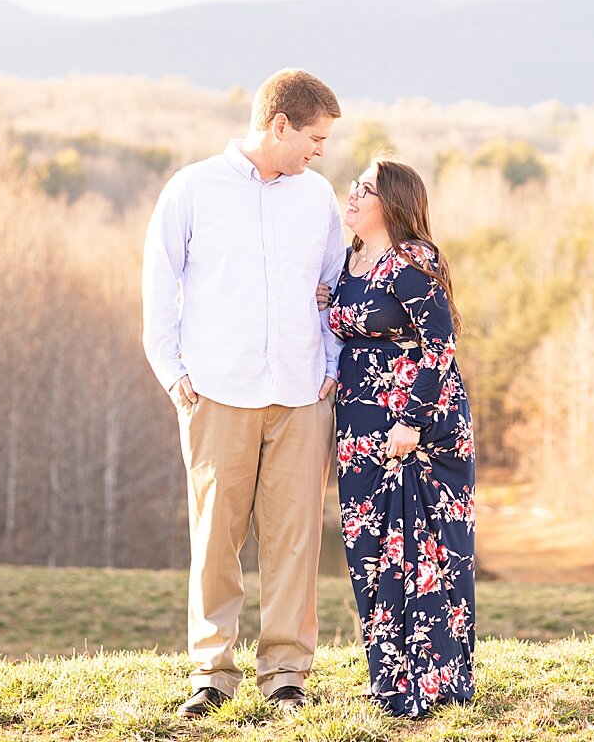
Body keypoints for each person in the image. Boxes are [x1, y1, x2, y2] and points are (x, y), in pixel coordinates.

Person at [141, 68, 345, 718]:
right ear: (278, 124)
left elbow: (334, 289)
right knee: (216, 538)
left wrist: (332, 362)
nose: (321, 150)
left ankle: (286, 674)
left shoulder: (317, 198)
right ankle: (212, 673)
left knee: (294, 539)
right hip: (216, 396)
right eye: (313, 137)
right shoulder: (192, 190)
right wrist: (173, 372)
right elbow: (157, 290)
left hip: (299, 394)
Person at [326, 158, 477, 717]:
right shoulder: (353, 260)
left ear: (391, 203)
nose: (353, 194)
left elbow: (440, 344)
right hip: (361, 429)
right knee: (370, 551)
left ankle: (433, 684)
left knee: (422, 553)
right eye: (354, 185)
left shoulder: (412, 263)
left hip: (417, 429)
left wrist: (412, 421)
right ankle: (390, 679)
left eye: (365, 189)